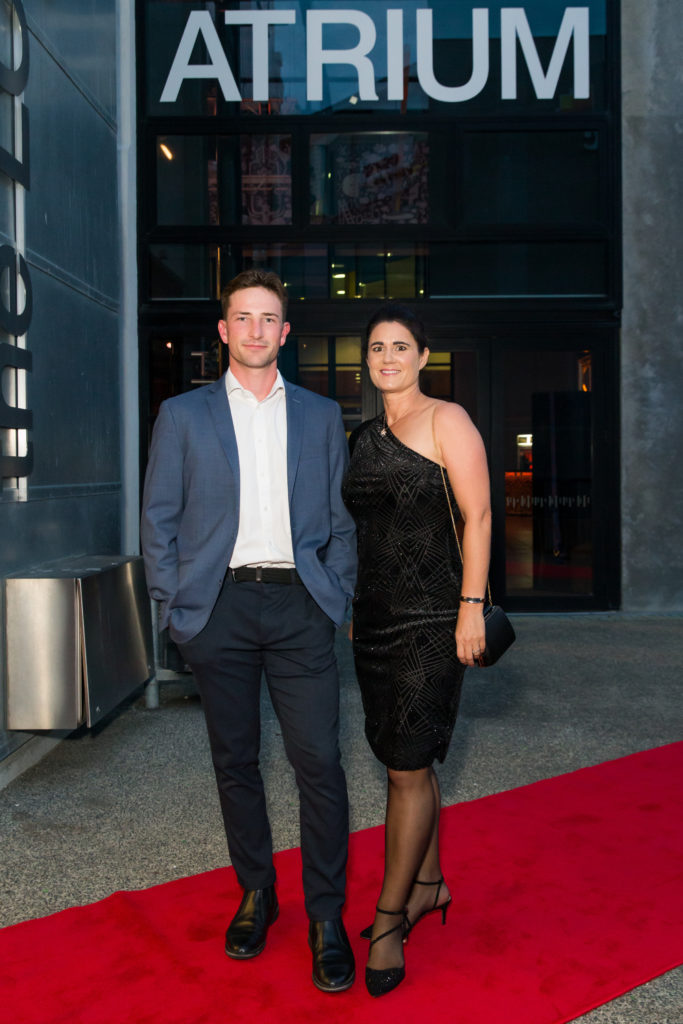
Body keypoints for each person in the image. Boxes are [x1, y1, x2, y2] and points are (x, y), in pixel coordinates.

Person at [141, 270, 358, 993]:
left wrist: (337, 597)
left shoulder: (321, 415)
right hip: (219, 608)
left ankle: (326, 915)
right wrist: (176, 610)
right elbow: (158, 520)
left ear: (284, 333)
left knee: (318, 763)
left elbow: (340, 521)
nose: (256, 330)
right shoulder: (182, 415)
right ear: (224, 330)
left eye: (269, 319)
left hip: (301, 607)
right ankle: (257, 892)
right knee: (234, 761)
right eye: (244, 317)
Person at [342, 303, 491, 997]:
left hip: (432, 619)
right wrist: (354, 607)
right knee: (404, 757)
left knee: (405, 767)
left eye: (400, 346)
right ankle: (429, 883)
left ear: (424, 356)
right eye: (377, 348)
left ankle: (389, 919)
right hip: (374, 620)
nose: (388, 358)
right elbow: (361, 532)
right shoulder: (364, 435)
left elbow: (478, 516)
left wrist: (470, 608)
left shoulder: (446, 420)